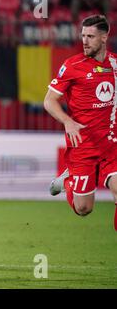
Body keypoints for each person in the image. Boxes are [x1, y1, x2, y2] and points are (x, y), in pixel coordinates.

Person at [44, 15, 117, 231]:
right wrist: (68, 122)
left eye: (91, 36)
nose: (85, 41)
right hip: (83, 144)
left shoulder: (115, 64)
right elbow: (49, 101)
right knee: (83, 208)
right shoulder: (72, 65)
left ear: (104, 38)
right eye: (83, 35)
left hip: (111, 144)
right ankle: (68, 180)